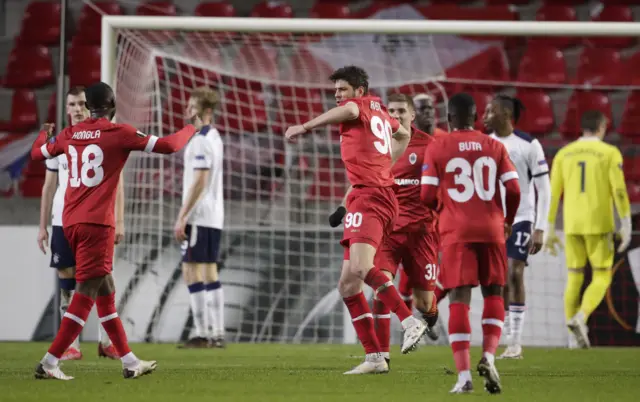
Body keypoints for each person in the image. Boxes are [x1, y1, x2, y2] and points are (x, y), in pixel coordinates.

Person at [30, 81, 200, 380]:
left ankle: (131, 362)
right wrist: (190, 129)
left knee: (106, 290)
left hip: (69, 222)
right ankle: (50, 361)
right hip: (97, 224)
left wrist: (46, 133)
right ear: (112, 105)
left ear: (88, 106)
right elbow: (170, 146)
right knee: (85, 293)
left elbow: (36, 154)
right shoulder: (118, 132)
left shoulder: (69, 134)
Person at [285, 66, 426, 375]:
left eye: (343, 89)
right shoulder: (380, 111)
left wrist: (304, 127)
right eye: (335, 90)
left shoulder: (358, 107)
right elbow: (404, 134)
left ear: (359, 90)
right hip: (374, 193)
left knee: (362, 269)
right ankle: (375, 357)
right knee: (348, 285)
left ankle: (409, 320)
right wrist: (386, 164)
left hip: (370, 196)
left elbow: (348, 110)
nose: (338, 95)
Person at [421, 92, 521, 394]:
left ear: (449, 119)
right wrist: (508, 220)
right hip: (492, 229)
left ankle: (464, 378)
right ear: (476, 117)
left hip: (456, 231)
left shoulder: (438, 146)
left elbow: (426, 196)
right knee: (494, 293)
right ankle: (489, 356)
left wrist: (441, 210)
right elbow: (514, 189)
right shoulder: (494, 145)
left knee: (459, 300)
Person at [37, 86, 119, 361]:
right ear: (66, 107)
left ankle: (107, 341)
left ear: (89, 106)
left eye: (81, 103)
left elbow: (117, 183)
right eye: (71, 104)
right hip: (63, 218)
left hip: (95, 218)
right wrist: (42, 226)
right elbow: (49, 186)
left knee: (100, 277)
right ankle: (71, 344)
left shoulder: (102, 136)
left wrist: (120, 220)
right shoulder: (61, 139)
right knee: (66, 276)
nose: (75, 108)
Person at [545, 110, 632, 349]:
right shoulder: (609, 153)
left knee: (574, 277)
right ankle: (581, 318)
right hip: (598, 224)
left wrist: (549, 226)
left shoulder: (564, 153)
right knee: (602, 275)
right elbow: (620, 190)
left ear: (581, 128)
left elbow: (553, 193)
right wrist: (626, 222)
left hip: (572, 224)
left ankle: (572, 339)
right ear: (602, 127)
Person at [370, 93, 440, 364]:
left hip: (422, 233)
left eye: (402, 110)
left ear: (412, 116)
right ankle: (380, 357)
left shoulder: (430, 146)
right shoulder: (377, 145)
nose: (396, 115)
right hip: (389, 230)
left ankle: (430, 317)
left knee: (424, 303)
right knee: (381, 286)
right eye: (392, 110)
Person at [484, 95, 551, 359]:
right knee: (498, 280)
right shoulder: (484, 142)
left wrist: (540, 227)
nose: (485, 114)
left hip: (521, 217)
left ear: (505, 114)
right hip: (492, 220)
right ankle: (503, 336)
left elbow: (544, 188)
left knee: (514, 272)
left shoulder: (528, 144)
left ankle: (515, 341)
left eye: (491, 110)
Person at [173, 87, 225, 349]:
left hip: (200, 214)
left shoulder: (200, 140)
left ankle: (205, 333)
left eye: (192, 108)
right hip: (213, 215)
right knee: (207, 271)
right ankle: (215, 333)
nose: (187, 112)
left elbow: (200, 181)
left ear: (206, 112)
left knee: (192, 271)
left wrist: (182, 216)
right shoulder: (215, 137)